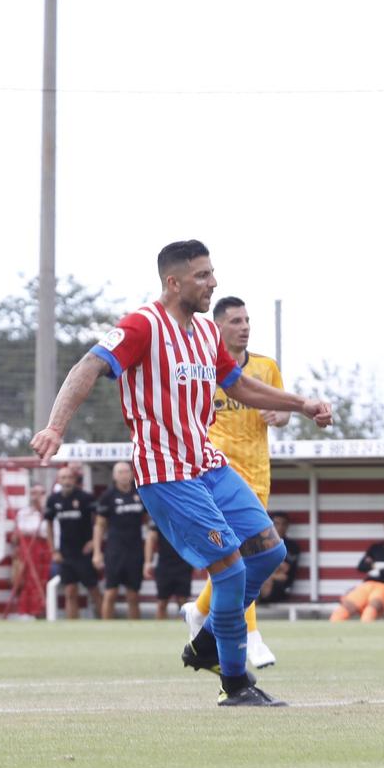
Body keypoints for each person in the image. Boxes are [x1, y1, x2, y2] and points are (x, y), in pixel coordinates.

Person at [29, 239, 331, 704]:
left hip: (207, 464)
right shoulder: (142, 325)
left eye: (212, 273)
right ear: (174, 282)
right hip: (166, 474)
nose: (213, 283)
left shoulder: (208, 335)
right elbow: (87, 366)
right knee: (229, 574)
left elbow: (241, 386)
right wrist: (55, 426)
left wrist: (302, 405)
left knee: (269, 553)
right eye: (203, 276)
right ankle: (235, 683)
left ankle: (210, 636)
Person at [189, 294, 288, 668]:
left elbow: (282, 414)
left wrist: (280, 417)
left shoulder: (266, 367)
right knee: (240, 554)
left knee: (254, 554)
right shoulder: (201, 368)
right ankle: (250, 634)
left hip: (258, 473)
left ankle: (198, 612)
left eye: (247, 320)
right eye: (235, 321)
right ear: (216, 327)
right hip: (216, 475)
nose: (244, 327)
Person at [94, 461, 151, 620]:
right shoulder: (107, 496)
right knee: (110, 592)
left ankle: (134, 629)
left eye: (126, 471)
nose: (124, 475)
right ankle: (106, 629)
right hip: (114, 550)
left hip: (135, 549)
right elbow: (99, 525)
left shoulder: (139, 494)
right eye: (120, 472)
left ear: (132, 474)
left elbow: (147, 521)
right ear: (114, 476)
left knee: (133, 594)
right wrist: (97, 553)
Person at [44, 462, 99, 620]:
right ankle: (72, 626)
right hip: (66, 553)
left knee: (93, 589)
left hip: (84, 551)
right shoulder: (53, 500)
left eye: (69, 477)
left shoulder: (86, 498)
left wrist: (93, 543)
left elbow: (99, 522)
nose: (67, 480)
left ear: (74, 479)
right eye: (63, 477)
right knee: (70, 591)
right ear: (58, 480)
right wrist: (53, 551)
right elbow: (48, 525)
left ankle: (105, 622)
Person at [335, 512, 384, 622]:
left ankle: (364, 635)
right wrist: (382, 565)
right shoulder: (376, 548)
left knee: (371, 608)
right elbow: (361, 566)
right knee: (345, 607)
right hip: (368, 584)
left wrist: (372, 565)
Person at [146, 516, 195, 619]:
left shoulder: (185, 515)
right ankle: (158, 631)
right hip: (165, 564)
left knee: (183, 603)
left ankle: (184, 631)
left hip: (184, 563)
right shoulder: (160, 515)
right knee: (162, 602)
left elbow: (195, 537)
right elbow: (151, 538)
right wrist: (147, 562)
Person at [255, 512, 299, 605]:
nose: (280, 527)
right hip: (264, 580)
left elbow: (284, 569)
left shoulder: (292, 546)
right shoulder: (261, 543)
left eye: (283, 524)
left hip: (282, 585)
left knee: (268, 580)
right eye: (277, 524)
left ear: (287, 526)